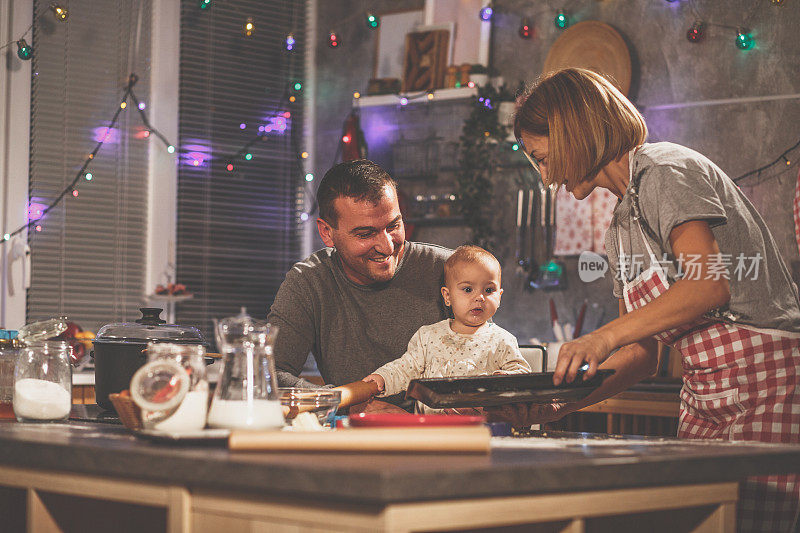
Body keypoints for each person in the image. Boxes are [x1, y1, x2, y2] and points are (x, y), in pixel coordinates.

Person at [491, 67, 800, 532]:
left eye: (542, 157)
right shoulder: (619, 227)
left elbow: (707, 285)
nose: (546, 177)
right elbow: (641, 354)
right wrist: (559, 406)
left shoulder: (665, 171)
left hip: (769, 390)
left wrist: (601, 337)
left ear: (574, 132)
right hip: (704, 400)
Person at [267, 159, 452, 411]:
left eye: (394, 226)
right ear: (327, 233)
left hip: (445, 434)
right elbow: (268, 376)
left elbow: (489, 353)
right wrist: (356, 407)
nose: (387, 247)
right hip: (353, 439)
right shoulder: (308, 282)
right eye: (365, 234)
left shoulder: (447, 269)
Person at [361, 245, 531, 413]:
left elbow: (523, 375)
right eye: (468, 289)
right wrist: (382, 378)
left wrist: (507, 380)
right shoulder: (428, 336)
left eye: (488, 290)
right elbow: (406, 368)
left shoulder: (502, 340)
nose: (479, 297)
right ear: (447, 296)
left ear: (499, 297)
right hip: (431, 430)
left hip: (481, 429)